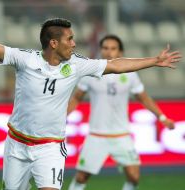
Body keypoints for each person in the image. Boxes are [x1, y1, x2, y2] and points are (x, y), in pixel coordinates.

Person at [0, 5, 181, 190]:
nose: (74, 43)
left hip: (50, 147)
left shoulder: (77, 65)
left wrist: (154, 61)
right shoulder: (25, 59)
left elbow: (116, 65)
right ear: (53, 43)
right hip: (17, 144)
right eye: (69, 39)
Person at [68, 35, 175, 190]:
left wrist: (162, 117)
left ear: (120, 51)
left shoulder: (130, 74)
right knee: (81, 177)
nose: (108, 52)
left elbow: (144, 98)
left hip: (121, 135)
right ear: (100, 50)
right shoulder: (90, 72)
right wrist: (62, 116)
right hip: (97, 135)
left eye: (113, 48)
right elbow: (77, 98)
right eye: (105, 48)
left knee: (134, 177)